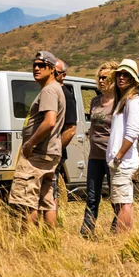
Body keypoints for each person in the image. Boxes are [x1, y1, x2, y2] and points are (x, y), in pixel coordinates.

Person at [8, 51, 66, 227]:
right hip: (50, 153)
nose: (36, 68)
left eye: (41, 65)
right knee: (46, 201)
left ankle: (29, 243)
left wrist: (30, 143)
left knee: (26, 201)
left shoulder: (49, 90)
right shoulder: (56, 89)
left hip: (38, 153)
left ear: (51, 69)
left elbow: (49, 122)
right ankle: (49, 241)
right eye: (34, 65)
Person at [80, 61, 118, 237]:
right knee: (92, 196)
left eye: (105, 77)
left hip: (111, 157)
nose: (101, 80)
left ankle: (117, 230)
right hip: (94, 155)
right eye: (99, 77)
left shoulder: (119, 102)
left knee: (115, 196)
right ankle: (87, 232)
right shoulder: (95, 101)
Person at [106, 59, 139, 233]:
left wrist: (119, 156)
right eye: (119, 74)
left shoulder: (133, 100)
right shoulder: (124, 100)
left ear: (132, 79)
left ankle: (120, 239)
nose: (121, 78)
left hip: (124, 160)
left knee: (124, 202)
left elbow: (132, 132)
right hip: (121, 159)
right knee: (122, 200)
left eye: (126, 75)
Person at [52, 59, 77, 215]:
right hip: (45, 151)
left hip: (54, 152)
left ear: (63, 75)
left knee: (50, 191)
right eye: (51, 71)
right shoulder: (50, 92)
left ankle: (51, 229)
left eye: (56, 73)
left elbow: (71, 129)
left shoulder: (66, 96)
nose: (52, 75)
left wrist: (55, 149)